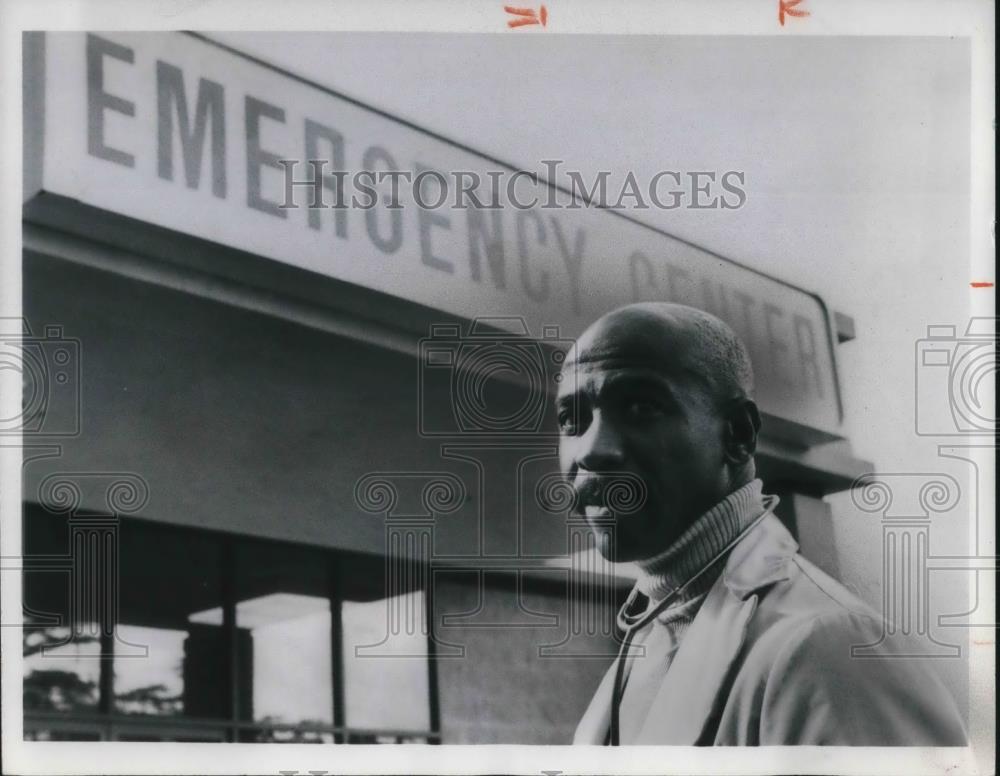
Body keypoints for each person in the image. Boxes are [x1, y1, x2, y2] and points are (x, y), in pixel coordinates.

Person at [559, 302, 966, 746]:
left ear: (738, 434)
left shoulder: (832, 646)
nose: (590, 451)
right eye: (570, 419)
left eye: (640, 407)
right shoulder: (648, 638)